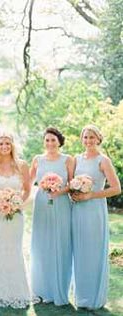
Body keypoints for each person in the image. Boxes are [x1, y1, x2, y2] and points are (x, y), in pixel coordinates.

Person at [0, 133, 36, 308]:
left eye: (8, 143)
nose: (5, 146)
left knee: (15, 248)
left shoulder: (22, 165)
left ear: (12, 146)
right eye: (1, 143)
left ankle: (19, 291)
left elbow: (27, 189)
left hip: (17, 214)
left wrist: (17, 203)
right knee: (0, 249)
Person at [71, 125, 121, 310]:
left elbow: (116, 188)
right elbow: (71, 183)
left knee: (93, 251)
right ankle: (81, 296)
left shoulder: (103, 160)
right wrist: (73, 192)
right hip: (77, 211)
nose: (88, 140)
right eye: (85, 137)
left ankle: (94, 298)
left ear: (98, 139)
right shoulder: (76, 159)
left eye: (92, 137)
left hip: (94, 210)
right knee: (80, 251)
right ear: (81, 139)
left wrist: (90, 195)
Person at [30, 127, 74, 305]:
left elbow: (72, 183)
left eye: (53, 140)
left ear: (59, 142)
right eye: (47, 140)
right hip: (41, 203)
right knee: (42, 244)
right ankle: (40, 289)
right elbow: (28, 181)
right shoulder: (37, 159)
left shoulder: (68, 160)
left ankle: (58, 290)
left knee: (59, 243)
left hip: (61, 203)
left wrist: (59, 190)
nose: (50, 143)